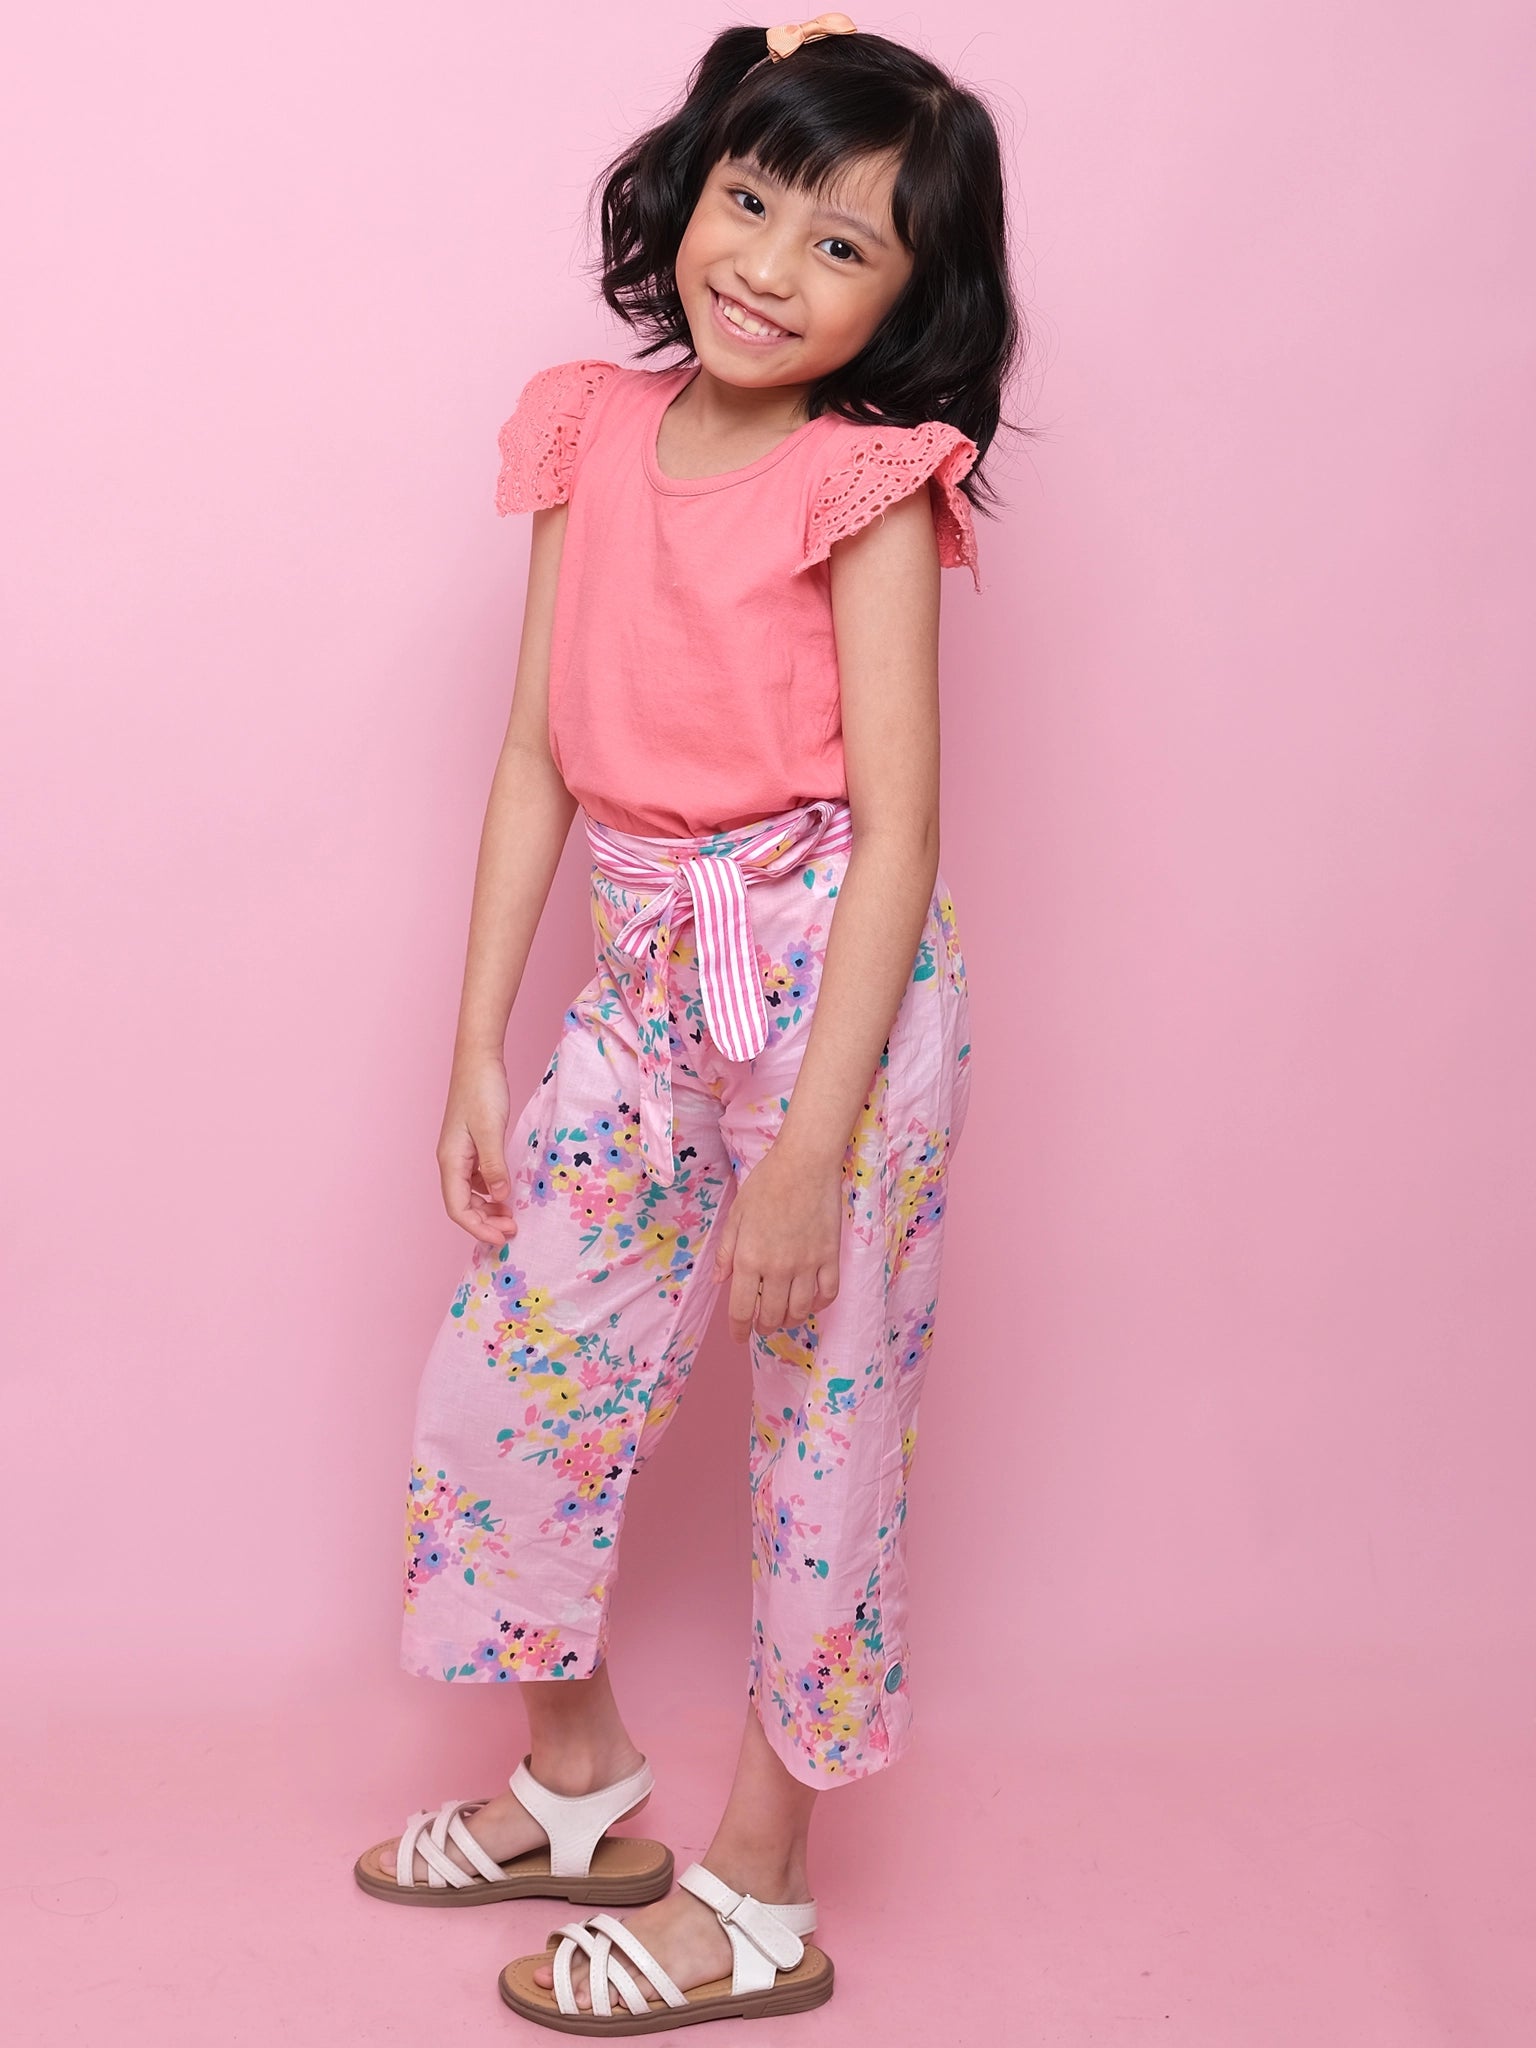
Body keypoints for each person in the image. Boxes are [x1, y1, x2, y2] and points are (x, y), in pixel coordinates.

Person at [352, 14, 1025, 2031]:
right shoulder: (589, 431)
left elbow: (903, 831)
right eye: (750, 200)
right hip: (644, 985)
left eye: (844, 244)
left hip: (836, 998)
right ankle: (578, 1784)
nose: (769, 266)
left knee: (825, 1441)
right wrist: (479, 1045)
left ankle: (763, 1890)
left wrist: (813, 1148)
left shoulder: (865, 482)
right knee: (511, 1377)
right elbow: (535, 760)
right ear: (687, 192)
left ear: (912, 296)